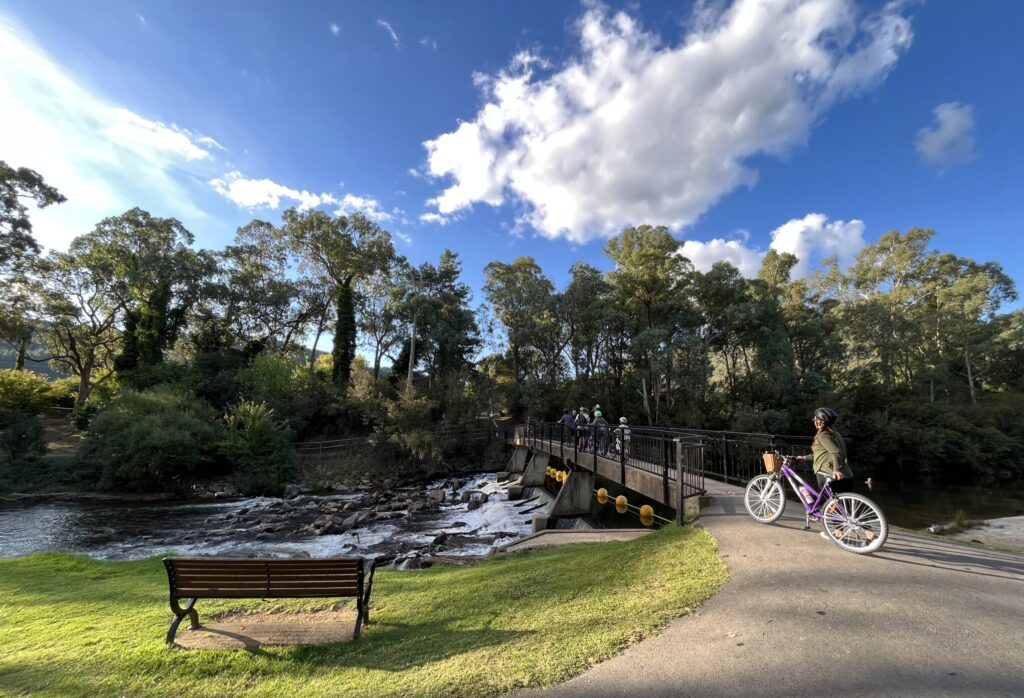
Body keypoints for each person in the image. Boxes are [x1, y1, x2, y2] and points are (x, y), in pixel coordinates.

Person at [797, 407, 853, 537]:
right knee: (842, 507)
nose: (813, 420)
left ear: (820, 421)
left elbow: (835, 452)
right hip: (847, 474)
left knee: (832, 505)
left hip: (827, 473)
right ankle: (865, 532)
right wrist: (804, 457)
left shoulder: (823, 435)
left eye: (815, 419)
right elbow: (823, 453)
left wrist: (836, 469)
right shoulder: (836, 434)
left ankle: (837, 533)